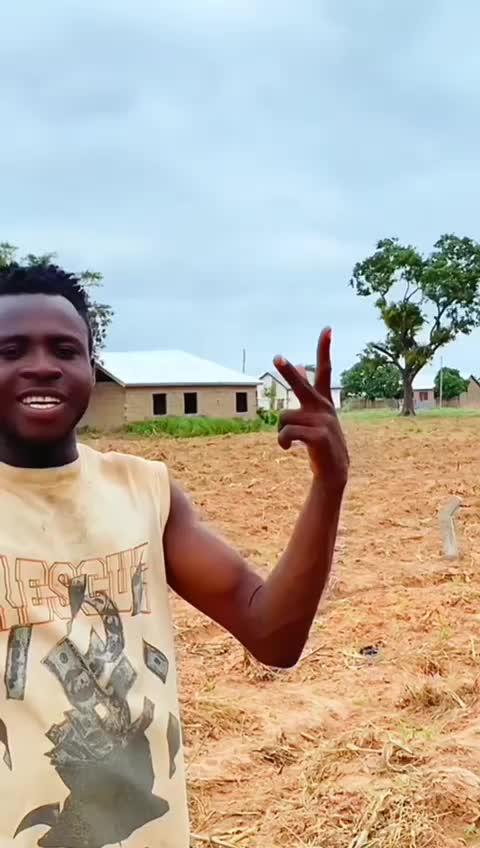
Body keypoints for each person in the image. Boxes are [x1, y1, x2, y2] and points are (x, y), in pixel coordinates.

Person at [0, 262, 348, 848]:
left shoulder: (145, 491)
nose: (41, 365)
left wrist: (329, 484)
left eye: (65, 349)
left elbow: (273, 634)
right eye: (10, 350)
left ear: (92, 366)